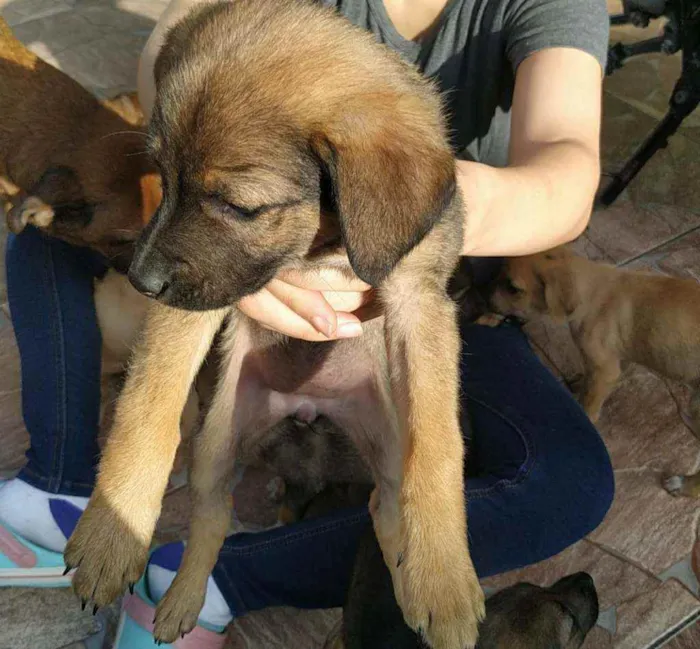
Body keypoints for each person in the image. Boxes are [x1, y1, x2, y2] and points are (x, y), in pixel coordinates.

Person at [0, 0, 614, 646]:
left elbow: (566, 166)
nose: (148, 269)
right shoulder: (270, 31)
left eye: (232, 201)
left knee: (573, 483)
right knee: (50, 232)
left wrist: (425, 219)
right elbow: (170, 45)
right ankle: (60, 489)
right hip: (256, 327)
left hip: (437, 298)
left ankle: (225, 579)